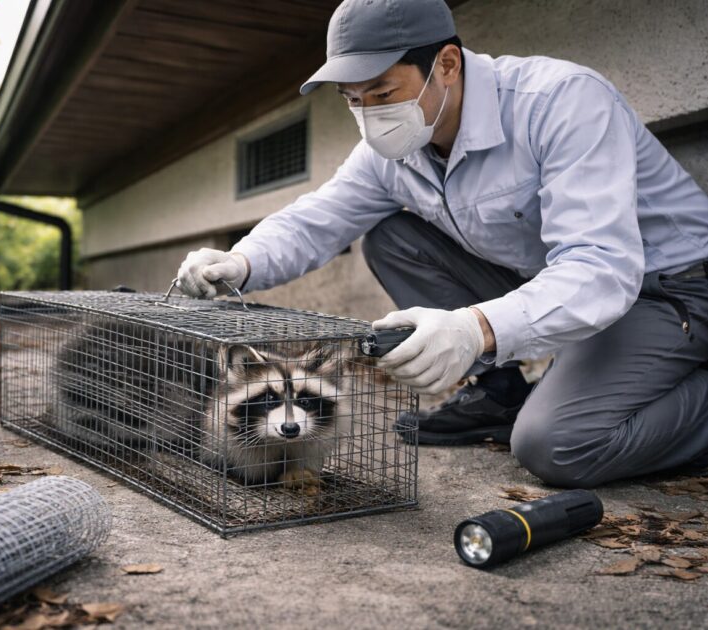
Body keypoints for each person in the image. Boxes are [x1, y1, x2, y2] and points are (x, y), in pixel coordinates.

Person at [175, 0, 708, 488]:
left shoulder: (561, 101)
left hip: (666, 291)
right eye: (352, 100)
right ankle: (499, 395)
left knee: (554, 445)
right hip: (546, 282)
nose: (370, 115)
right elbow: (320, 217)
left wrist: (474, 329)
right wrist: (240, 261)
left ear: (447, 64)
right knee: (390, 237)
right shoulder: (392, 150)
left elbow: (601, 266)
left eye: (382, 93)